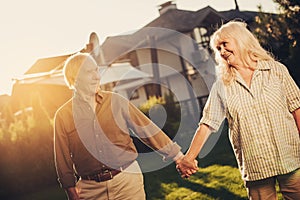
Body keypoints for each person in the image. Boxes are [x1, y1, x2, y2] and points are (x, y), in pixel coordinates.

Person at [176, 21, 300, 199]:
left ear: (241, 40)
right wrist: (189, 158)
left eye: (225, 44)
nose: (222, 51)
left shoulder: (276, 71)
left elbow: (297, 108)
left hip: (290, 158)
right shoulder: (222, 86)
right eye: (218, 48)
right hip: (256, 165)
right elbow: (207, 123)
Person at [54, 52, 187, 200]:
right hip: (91, 191)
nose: (97, 76)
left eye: (96, 70)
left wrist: (178, 156)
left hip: (127, 181)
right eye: (89, 72)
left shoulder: (116, 101)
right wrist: (70, 191)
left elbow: (146, 129)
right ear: (74, 78)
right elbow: (62, 158)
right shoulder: (63, 116)